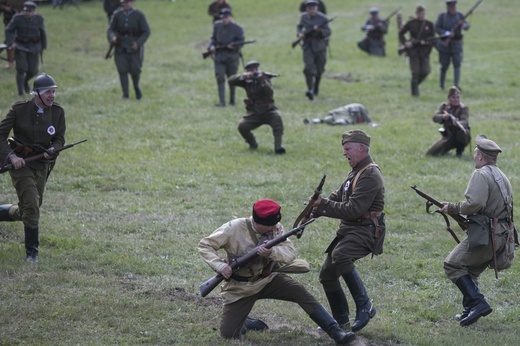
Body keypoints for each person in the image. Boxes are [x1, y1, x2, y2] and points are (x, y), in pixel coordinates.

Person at [198, 199, 355, 344]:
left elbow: (289, 252)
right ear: (259, 223)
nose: (276, 228)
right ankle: (244, 321)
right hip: (240, 287)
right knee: (228, 334)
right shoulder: (233, 228)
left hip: (267, 279)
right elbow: (205, 245)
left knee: (300, 292)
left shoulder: (276, 228)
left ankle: (336, 332)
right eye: (271, 226)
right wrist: (219, 266)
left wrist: (271, 253)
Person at [310, 130, 385, 333]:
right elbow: (340, 195)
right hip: (351, 229)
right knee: (327, 274)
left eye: (347, 148)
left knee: (340, 255)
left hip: (366, 230)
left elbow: (353, 209)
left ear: (361, 148)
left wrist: (323, 205)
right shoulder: (357, 171)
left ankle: (365, 306)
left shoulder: (370, 174)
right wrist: (315, 209)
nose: (344, 153)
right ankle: (341, 320)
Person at [439, 135, 514, 326]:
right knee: (470, 270)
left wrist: (453, 208)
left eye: (475, 155)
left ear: (480, 156)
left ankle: (478, 303)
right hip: (501, 235)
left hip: (488, 235)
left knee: (453, 264)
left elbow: (475, 203)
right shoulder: (502, 176)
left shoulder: (481, 174)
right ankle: (469, 310)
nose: (474, 158)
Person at [0, 73, 65, 262]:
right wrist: (12, 156)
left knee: (30, 209)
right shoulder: (19, 110)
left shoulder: (58, 112)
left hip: (43, 165)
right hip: (21, 165)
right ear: (36, 93)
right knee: (31, 207)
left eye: (53, 91)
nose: (52, 95)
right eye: (47, 92)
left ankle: (4, 212)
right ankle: (32, 255)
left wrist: (53, 149)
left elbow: (60, 138)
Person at [228, 60, 285, 154]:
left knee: (277, 120)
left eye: (256, 69)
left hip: (268, 110)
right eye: (251, 70)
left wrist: (263, 83)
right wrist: (243, 76)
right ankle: (252, 143)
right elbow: (230, 81)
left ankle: (278, 147)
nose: (254, 71)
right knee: (242, 126)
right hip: (254, 113)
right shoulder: (246, 81)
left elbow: (270, 92)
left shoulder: (265, 79)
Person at [107, 0, 151, 100]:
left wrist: (138, 43)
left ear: (132, 2)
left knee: (135, 70)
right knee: (122, 70)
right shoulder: (117, 14)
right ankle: (125, 94)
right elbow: (111, 29)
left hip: (134, 48)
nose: (126, 4)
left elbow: (146, 31)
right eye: (124, 2)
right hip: (120, 47)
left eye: (128, 2)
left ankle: (136, 86)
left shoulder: (139, 15)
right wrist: (113, 37)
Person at [4, 1, 46, 96]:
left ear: (34, 11)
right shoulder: (17, 18)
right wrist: (11, 42)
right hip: (20, 46)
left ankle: (25, 81)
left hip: (34, 47)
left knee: (33, 71)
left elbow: (43, 33)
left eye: (29, 11)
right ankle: (20, 92)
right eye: (26, 11)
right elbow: (8, 30)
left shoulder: (39, 19)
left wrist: (43, 47)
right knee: (21, 68)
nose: (27, 13)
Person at [207, 8, 244, 107]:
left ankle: (232, 100)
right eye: (223, 17)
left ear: (230, 17)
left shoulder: (238, 28)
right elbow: (213, 38)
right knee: (219, 77)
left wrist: (234, 46)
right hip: (219, 56)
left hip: (232, 56)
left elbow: (241, 41)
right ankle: (222, 101)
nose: (224, 19)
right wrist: (211, 47)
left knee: (232, 79)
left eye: (226, 17)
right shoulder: (217, 26)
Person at [296, 0, 331, 101]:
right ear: (307, 9)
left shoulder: (323, 18)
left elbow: (328, 32)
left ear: (317, 8)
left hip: (320, 46)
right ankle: (310, 90)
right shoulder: (303, 17)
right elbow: (299, 26)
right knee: (308, 67)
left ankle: (316, 87)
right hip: (308, 45)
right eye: (309, 8)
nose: (311, 10)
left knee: (320, 68)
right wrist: (299, 34)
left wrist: (319, 30)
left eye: (313, 8)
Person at [398, 5, 435, 96]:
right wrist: (406, 43)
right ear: (417, 14)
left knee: (426, 71)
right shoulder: (411, 23)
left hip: (424, 51)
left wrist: (426, 42)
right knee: (415, 71)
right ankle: (415, 93)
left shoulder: (429, 24)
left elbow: (433, 37)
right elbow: (401, 33)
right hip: (413, 51)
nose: (421, 15)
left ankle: (415, 86)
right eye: (419, 13)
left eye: (423, 13)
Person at [435, 0, 470, 90]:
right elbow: (437, 28)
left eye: (454, 6)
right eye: (451, 6)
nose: (453, 8)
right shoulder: (442, 17)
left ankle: (456, 85)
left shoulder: (459, 16)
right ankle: (441, 85)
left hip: (456, 45)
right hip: (445, 45)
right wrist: (447, 33)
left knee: (457, 65)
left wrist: (463, 25)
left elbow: (467, 26)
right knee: (444, 66)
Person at [426, 86, 470, 157]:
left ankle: (460, 150)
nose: (456, 99)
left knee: (463, 133)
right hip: (448, 136)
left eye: (458, 97)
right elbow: (434, 118)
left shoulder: (463, 108)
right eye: (453, 97)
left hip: (460, 136)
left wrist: (458, 124)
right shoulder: (444, 107)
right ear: (449, 98)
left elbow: (464, 121)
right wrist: (442, 116)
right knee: (431, 153)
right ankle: (446, 149)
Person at [0, 0, 24, 68]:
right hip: (9, 19)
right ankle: (10, 61)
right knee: (10, 40)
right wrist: (5, 8)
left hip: (21, 19)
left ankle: (21, 60)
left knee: (19, 38)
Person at [304, 103, 373, 126]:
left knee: (328, 120)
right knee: (327, 119)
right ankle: (313, 121)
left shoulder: (357, 115)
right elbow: (368, 121)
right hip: (340, 113)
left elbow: (368, 121)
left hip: (340, 115)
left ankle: (315, 121)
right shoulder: (360, 107)